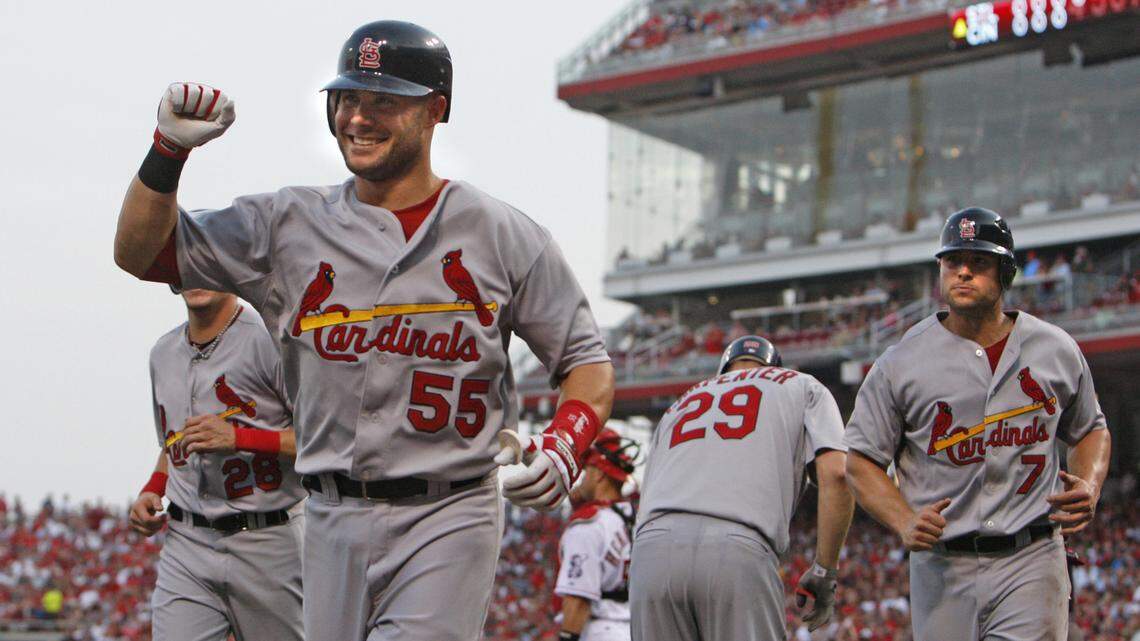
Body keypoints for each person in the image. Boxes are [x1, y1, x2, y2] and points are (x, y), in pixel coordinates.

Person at [113, 20, 614, 641]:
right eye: (347, 98)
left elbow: (585, 360)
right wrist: (166, 153)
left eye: (384, 101)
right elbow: (139, 253)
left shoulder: (501, 233)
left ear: (435, 111)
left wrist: (566, 441)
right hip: (327, 513)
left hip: (449, 509)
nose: (357, 117)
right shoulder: (286, 222)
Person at [844, 207, 1112, 641]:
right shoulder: (901, 361)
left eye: (979, 263)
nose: (963, 273)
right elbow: (859, 460)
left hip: (1032, 553)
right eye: (953, 262)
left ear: (1005, 272)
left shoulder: (1054, 348)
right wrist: (902, 520)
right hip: (942, 564)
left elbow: (1091, 429)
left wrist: (1090, 482)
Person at [629, 335, 854, 641]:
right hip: (735, 546)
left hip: (651, 552)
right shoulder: (802, 384)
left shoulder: (678, 405)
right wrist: (825, 569)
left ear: (725, 368)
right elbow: (838, 475)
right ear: (773, 367)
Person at [127, 288, 304, 641]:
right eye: (188, 267)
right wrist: (154, 487)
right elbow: (173, 443)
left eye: (208, 264)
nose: (197, 277)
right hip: (186, 541)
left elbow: (323, 440)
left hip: (269, 538)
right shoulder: (163, 353)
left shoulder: (273, 340)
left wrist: (241, 438)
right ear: (173, 280)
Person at [554, 429, 640, 641]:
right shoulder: (635, 516)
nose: (582, 479)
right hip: (634, 628)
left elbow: (578, 599)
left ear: (600, 474)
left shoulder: (588, 525)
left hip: (599, 631)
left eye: (586, 471)